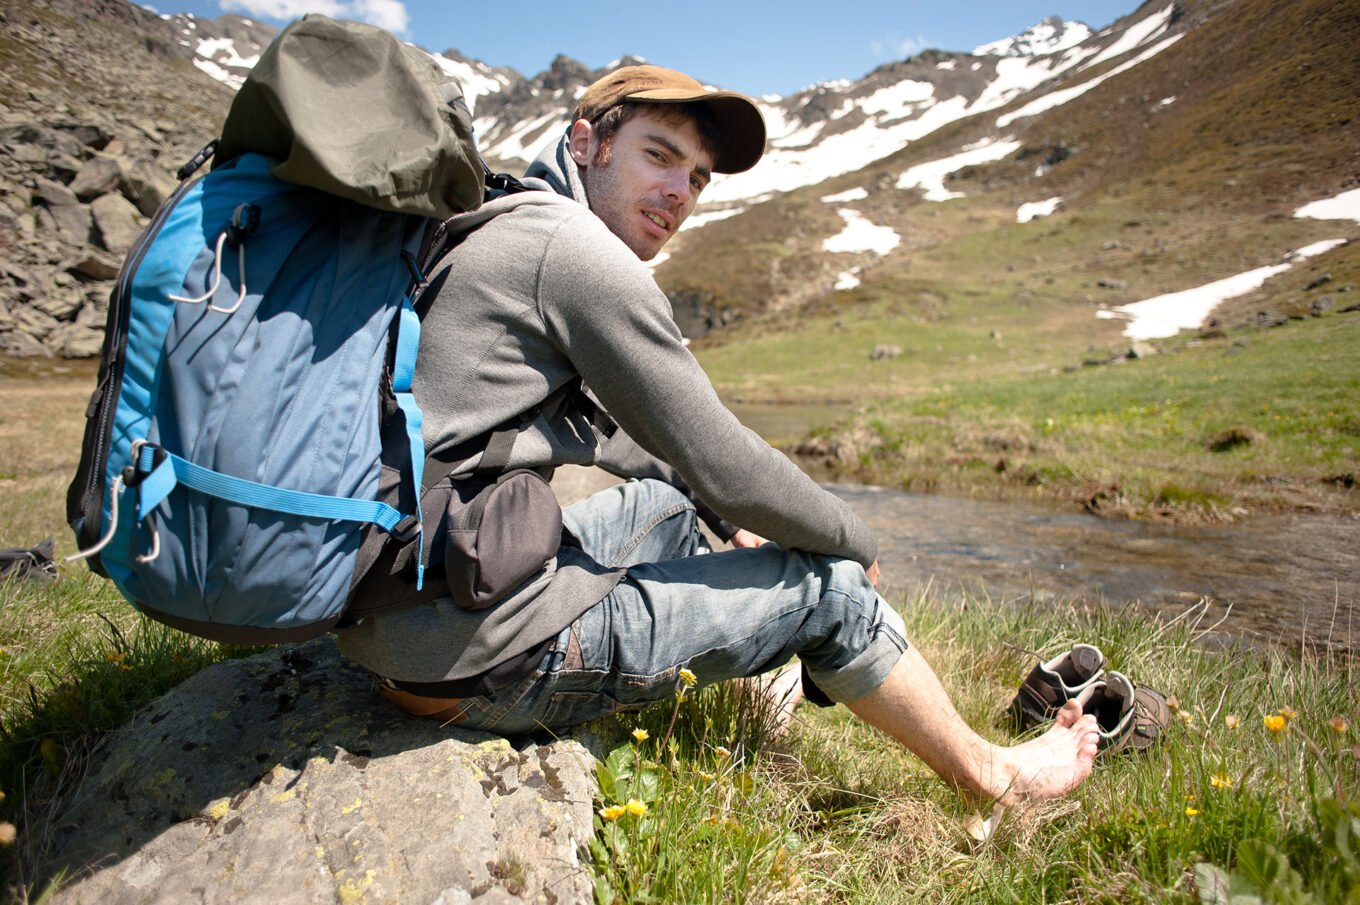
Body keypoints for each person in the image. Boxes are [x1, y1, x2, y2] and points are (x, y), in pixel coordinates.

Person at [335, 65, 1099, 806]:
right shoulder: (576, 256)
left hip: (398, 610)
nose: (679, 192)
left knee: (663, 510)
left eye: (697, 177)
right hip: (473, 657)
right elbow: (724, 460)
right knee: (828, 588)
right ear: (586, 142)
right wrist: (854, 542)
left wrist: (729, 521)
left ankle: (765, 655)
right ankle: (994, 775)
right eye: (658, 156)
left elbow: (635, 444)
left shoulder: (508, 220)